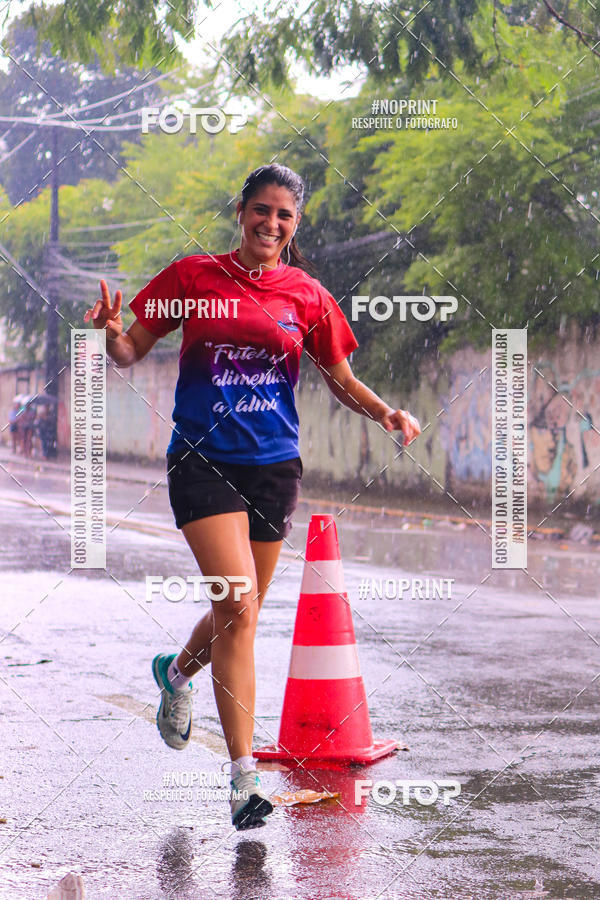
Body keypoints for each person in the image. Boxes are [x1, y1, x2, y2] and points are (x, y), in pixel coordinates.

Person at [84, 163, 421, 831]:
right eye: (261, 209)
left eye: (284, 216)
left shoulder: (307, 295)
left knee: (239, 612)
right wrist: (108, 331)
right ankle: (243, 782)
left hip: (274, 467)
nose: (271, 223)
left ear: (295, 227)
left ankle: (176, 675)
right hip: (203, 461)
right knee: (237, 603)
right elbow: (131, 351)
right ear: (240, 211)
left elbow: (339, 375)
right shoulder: (192, 278)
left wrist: (385, 412)